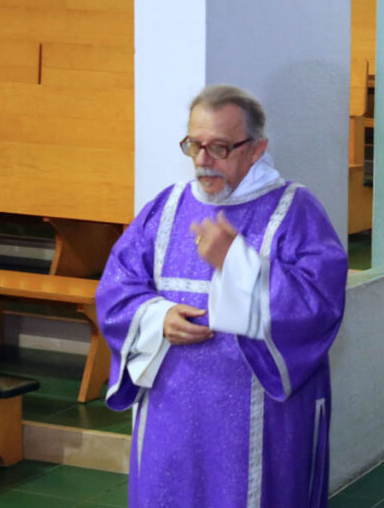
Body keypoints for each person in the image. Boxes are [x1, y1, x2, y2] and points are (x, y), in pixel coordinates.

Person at [96, 85, 347, 507]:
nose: (202, 160)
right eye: (194, 145)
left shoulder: (295, 210)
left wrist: (235, 263)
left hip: (261, 419)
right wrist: (157, 317)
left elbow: (318, 305)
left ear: (256, 149)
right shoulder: (167, 207)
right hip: (171, 412)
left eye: (219, 148)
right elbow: (117, 288)